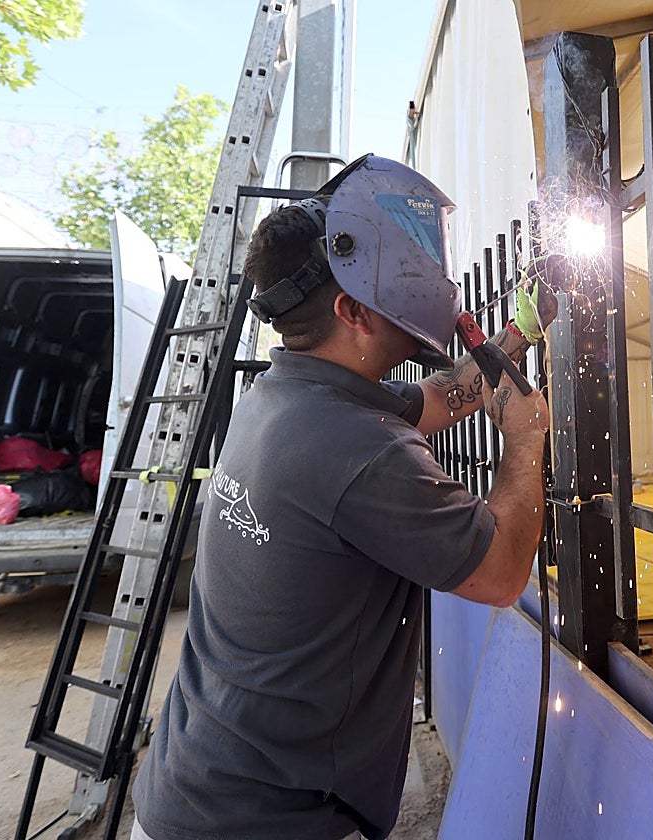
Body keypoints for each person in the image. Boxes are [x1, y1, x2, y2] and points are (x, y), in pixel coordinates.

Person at [131, 154, 560, 840]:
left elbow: (441, 400)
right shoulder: (361, 451)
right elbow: (504, 570)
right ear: (352, 308)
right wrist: (525, 442)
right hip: (267, 823)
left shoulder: (286, 398)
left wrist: (514, 338)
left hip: (192, 787)